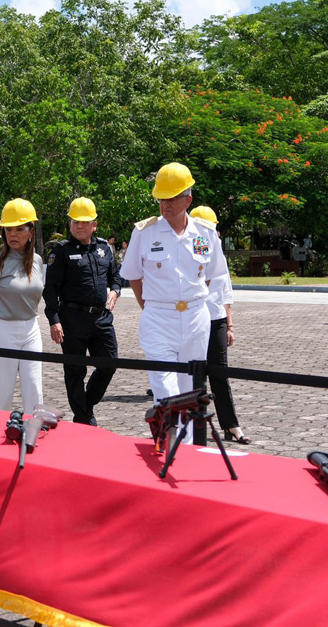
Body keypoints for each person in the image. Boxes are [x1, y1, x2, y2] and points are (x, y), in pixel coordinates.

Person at [120, 162, 227, 442]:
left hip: (195, 318)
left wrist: (191, 300)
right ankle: (167, 441)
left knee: (190, 387)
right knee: (163, 387)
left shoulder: (204, 233)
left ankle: (187, 447)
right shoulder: (144, 233)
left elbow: (211, 274)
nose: (164, 205)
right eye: (160, 199)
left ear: (187, 200)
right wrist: (153, 307)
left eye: (171, 198)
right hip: (158, 317)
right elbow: (133, 276)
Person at [43, 197, 120, 426]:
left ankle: (86, 404)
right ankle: (83, 418)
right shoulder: (61, 252)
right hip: (72, 319)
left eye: (85, 222)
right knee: (75, 370)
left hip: (101, 318)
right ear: (70, 225)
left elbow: (115, 278)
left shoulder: (105, 248)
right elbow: (51, 290)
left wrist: (115, 292)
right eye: (75, 222)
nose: (79, 226)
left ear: (94, 225)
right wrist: (54, 320)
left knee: (110, 363)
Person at [0, 198, 44, 414]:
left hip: (31, 328)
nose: (13, 234)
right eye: (8, 229)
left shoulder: (37, 261)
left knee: (34, 388)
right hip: (1, 329)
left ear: (31, 231)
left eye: (19, 229)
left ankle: (34, 432)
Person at [190, 206, 248, 444]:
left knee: (220, 374)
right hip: (193, 318)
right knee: (193, 374)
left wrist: (231, 326)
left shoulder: (218, 253)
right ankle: (193, 423)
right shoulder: (195, 248)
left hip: (216, 320)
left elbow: (226, 296)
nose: (206, 234)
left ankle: (231, 424)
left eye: (210, 230)